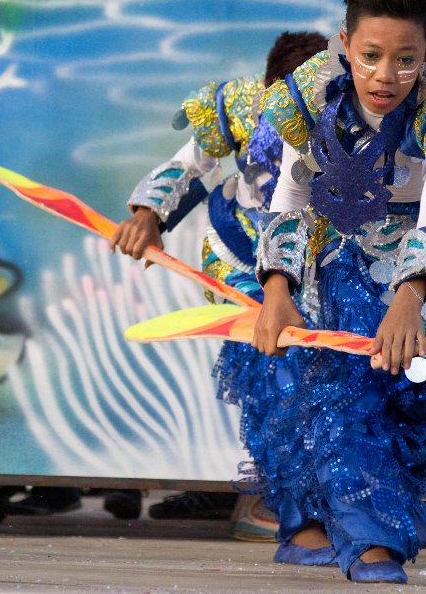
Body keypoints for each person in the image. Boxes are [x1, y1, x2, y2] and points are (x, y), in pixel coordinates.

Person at [249, 0, 426, 583]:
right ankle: (365, 541)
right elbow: (289, 200)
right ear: (345, 45)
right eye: (369, 55)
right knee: (332, 386)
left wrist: (411, 297)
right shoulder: (307, 95)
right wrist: (278, 289)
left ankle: (377, 509)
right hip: (338, 255)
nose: (385, 76)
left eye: (405, 59)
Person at [111, 32, 327, 528]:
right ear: (270, 91)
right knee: (271, 363)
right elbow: (191, 164)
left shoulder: (352, 113)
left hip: (318, 255)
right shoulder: (240, 105)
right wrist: (149, 214)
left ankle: (328, 497)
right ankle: (269, 498)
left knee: (330, 375)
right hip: (243, 250)